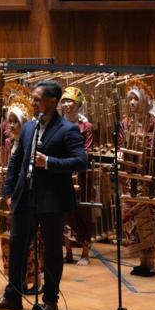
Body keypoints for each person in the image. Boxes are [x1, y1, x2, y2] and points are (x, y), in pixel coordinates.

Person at [0, 80, 87, 310]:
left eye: (37, 99)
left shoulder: (67, 129)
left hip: (52, 200)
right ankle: (13, 296)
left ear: (53, 102)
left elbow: (80, 161)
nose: (32, 102)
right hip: (25, 196)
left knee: (51, 251)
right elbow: (16, 160)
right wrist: (9, 192)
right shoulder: (30, 127)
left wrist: (50, 162)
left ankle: (50, 300)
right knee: (17, 246)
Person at [120, 82, 155, 277]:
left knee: (145, 215)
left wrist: (137, 148)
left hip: (144, 174)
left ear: (145, 101)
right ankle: (140, 260)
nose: (133, 102)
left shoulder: (153, 122)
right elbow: (121, 143)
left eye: (136, 98)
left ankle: (150, 261)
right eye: (130, 99)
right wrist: (122, 153)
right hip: (128, 174)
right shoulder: (125, 122)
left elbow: (152, 147)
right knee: (130, 216)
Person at [59, 86, 94, 265]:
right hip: (63, 172)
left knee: (82, 211)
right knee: (65, 212)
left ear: (78, 104)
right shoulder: (59, 124)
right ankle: (68, 252)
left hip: (81, 174)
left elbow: (87, 150)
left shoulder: (85, 126)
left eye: (69, 101)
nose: (66, 105)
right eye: (64, 101)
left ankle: (85, 253)